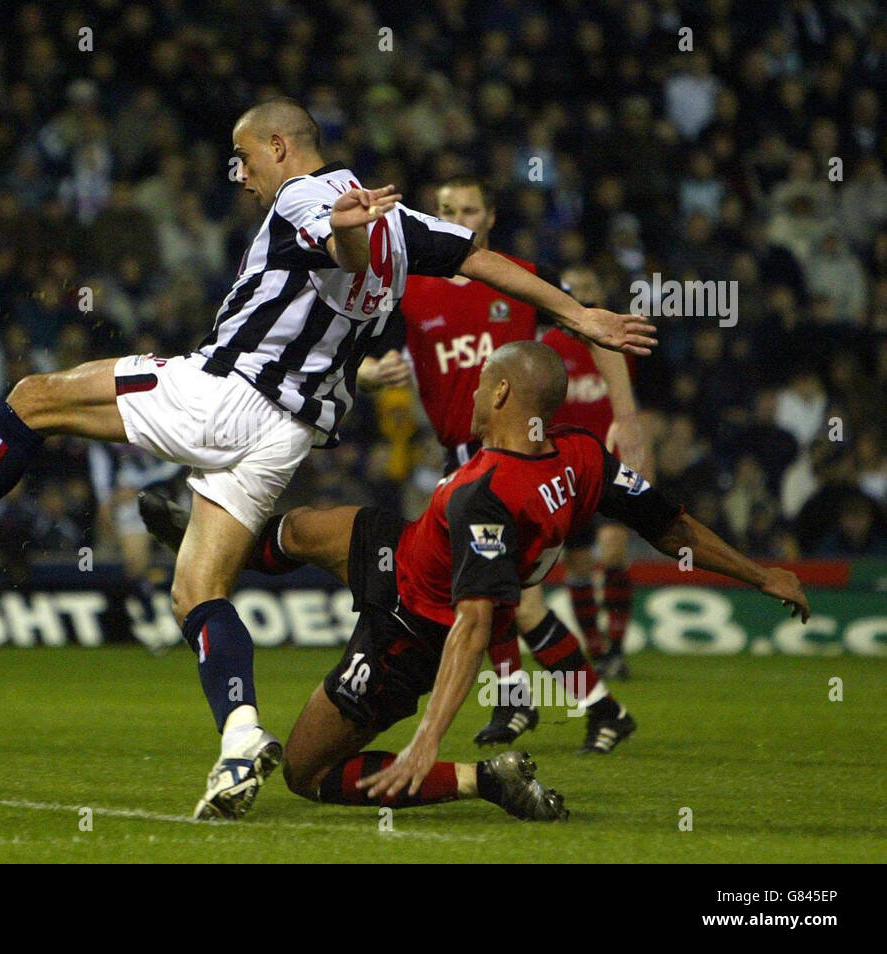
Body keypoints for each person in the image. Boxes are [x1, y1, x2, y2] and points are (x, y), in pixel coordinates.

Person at [0, 99, 656, 820]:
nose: (239, 175)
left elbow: (331, 240)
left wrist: (348, 234)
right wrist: (577, 315)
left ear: (282, 147)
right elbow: (480, 260)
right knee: (198, 589)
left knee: (37, 396)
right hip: (285, 437)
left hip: (228, 396)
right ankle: (240, 735)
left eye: (243, 157)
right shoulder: (403, 224)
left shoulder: (309, 193)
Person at [143, 342, 809, 810]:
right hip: (402, 547)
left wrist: (424, 742)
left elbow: (472, 624)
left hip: (407, 628)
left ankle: (482, 781)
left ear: (501, 392)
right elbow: (674, 527)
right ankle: (207, 538)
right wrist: (762, 574)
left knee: (306, 772)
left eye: (481, 381)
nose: (472, 392)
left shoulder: (485, 496)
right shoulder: (582, 456)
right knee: (304, 528)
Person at [356, 177, 650, 751]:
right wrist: (368, 375)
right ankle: (530, 702)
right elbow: (348, 342)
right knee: (489, 594)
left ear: (490, 215)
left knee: (505, 595)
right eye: (444, 210)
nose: (457, 219)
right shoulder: (407, 281)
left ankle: (587, 706)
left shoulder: (519, 277)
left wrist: (628, 417)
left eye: (468, 209)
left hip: (514, 460)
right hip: (458, 458)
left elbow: (594, 327)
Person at [542, 265, 636, 679]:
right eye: (573, 290)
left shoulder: (619, 342)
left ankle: (616, 649)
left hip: (612, 463)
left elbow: (633, 406)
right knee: (578, 565)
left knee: (614, 552)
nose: (582, 295)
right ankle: (596, 652)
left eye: (589, 287)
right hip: (567, 469)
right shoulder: (547, 346)